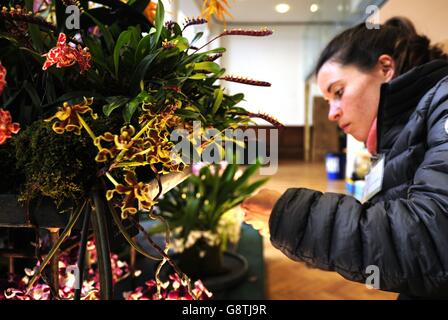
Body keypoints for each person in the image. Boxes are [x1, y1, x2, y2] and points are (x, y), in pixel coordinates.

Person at [242, 17, 448, 299]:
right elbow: (394, 248)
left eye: (338, 92)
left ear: (385, 68)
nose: (332, 113)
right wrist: (304, 238)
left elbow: (432, 241)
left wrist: (292, 217)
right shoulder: (398, 141)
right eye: (327, 101)